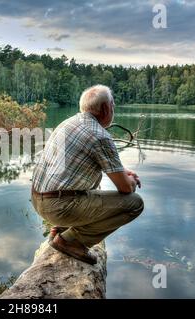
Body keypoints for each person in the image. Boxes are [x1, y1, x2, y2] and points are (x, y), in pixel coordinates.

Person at [31, 85, 144, 264]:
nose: (113, 110)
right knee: (135, 203)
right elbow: (125, 189)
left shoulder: (67, 123)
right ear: (106, 108)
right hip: (58, 207)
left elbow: (76, 168)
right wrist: (129, 180)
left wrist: (121, 173)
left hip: (38, 200)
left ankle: (60, 229)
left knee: (91, 189)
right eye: (113, 105)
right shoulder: (100, 136)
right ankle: (71, 241)